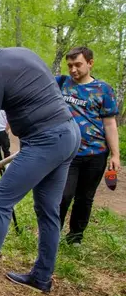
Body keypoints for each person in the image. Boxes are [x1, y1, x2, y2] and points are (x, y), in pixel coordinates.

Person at [0, 30, 80, 293]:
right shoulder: (22, 53)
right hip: (69, 133)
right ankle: (41, 278)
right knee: (47, 209)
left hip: (47, 139)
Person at [58, 47, 121, 245]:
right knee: (63, 195)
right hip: (68, 152)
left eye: (78, 65)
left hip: (96, 153)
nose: (73, 70)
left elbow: (110, 123)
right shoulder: (61, 83)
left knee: (85, 198)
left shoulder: (104, 89)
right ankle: (51, 234)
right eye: (70, 66)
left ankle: (75, 237)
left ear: (90, 63)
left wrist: (115, 155)